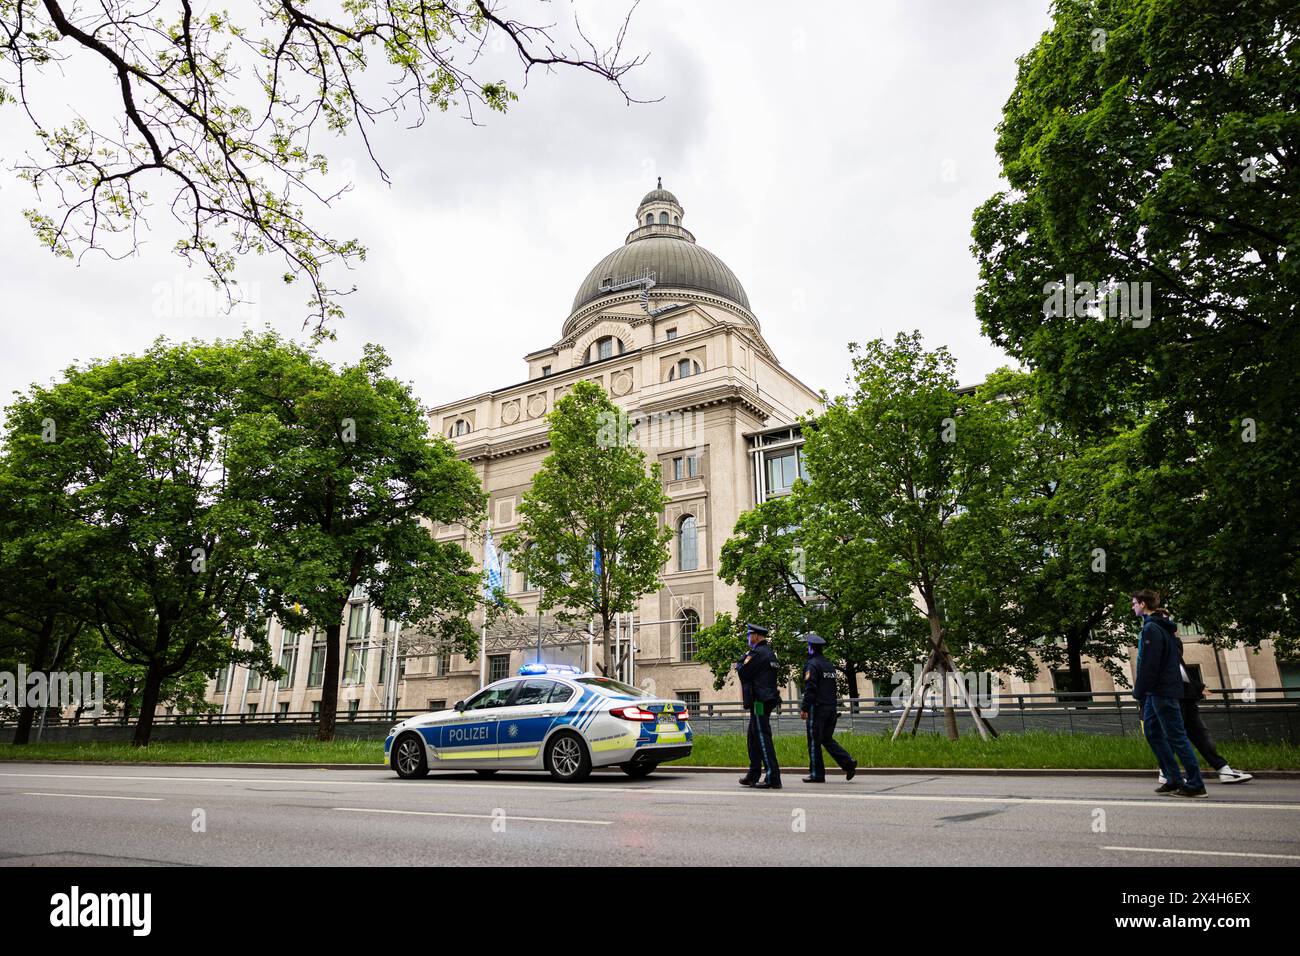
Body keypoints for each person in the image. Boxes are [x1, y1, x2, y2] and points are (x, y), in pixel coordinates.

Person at [1152, 611, 1253, 785]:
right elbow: (1169, 668)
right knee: (1177, 734)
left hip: (1185, 695)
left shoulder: (1169, 644)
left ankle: (1222, 769)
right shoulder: (1162, 644)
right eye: (1169, 623)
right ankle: (1167, 771)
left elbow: (1180, 671)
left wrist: (1197, 687)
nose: (1174, 628)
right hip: (1174, 696)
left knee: (1198, 734)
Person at [1132, 590, 1206, 797]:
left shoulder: (1153, 629)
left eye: (1134, 603)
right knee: (1153, 733)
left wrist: (1139, 691)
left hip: (1161, 690)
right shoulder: (1158, 628)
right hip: (1156, 691)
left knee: (1176, 736)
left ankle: (1195, 783)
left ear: (1144, 604)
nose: (1133, 607)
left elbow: (1149, 664)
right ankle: (1173, 777)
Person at [799, 633, 857, 783]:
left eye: (808, 646)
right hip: (831, 708)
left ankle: (816, 774)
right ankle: (848, 762)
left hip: (817, 709)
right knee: (826, 738)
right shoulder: (828, 665)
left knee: (814, 741)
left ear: (811, 648)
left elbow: (810, 688)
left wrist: (805, 707)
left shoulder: (812, 665)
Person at [736, 622, 782, 789]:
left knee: (762, 736)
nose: (748, 638)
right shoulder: (770, 653)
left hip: (760, 701)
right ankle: (753, 773)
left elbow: (743, 671)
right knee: (753, 735)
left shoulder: (758, 654)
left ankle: (773, 776)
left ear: (755, 636)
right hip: (765, 699)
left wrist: (741, 661)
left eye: (749, 635)